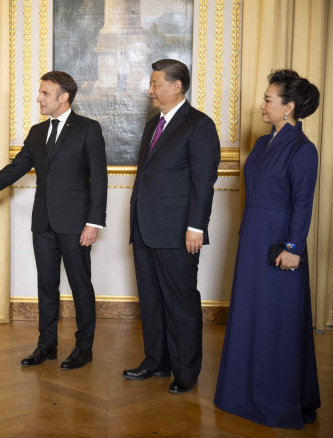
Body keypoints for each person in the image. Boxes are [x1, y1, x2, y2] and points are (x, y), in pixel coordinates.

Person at [0, 71, 107, 370]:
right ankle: (46, 345)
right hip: (43, 223)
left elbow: (99, 180)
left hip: (77, 223)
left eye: (45, 93)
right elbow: (17, 168)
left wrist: (94, 222)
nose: (38, 98)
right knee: (46, 284)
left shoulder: (88, 129)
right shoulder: (37, 133)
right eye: (40, 92)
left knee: (80, 284)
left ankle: (83, 347)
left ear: (63, 97)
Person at [214, 70, 321, 428]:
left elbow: (303, 202)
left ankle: (278, 397)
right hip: (253, 239)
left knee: (278, 320)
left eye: (269, 100)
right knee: (251, 315)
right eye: (265, 99)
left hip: (281, 243)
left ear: (289, 107)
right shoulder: (261, 144)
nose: (262, 105)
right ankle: (242, 394)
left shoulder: (304, 149)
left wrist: (293, 247)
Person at [123, 59, 220, 393]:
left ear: (176, 86)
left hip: (178, 231)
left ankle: (186, 371)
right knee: (150, 299)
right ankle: (156, 362)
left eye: (154, 84)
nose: (149, 90)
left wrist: (197, 227)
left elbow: (203, 182)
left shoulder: (199, 125)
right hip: (145, 228)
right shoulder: (154, 124)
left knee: (181, 301)